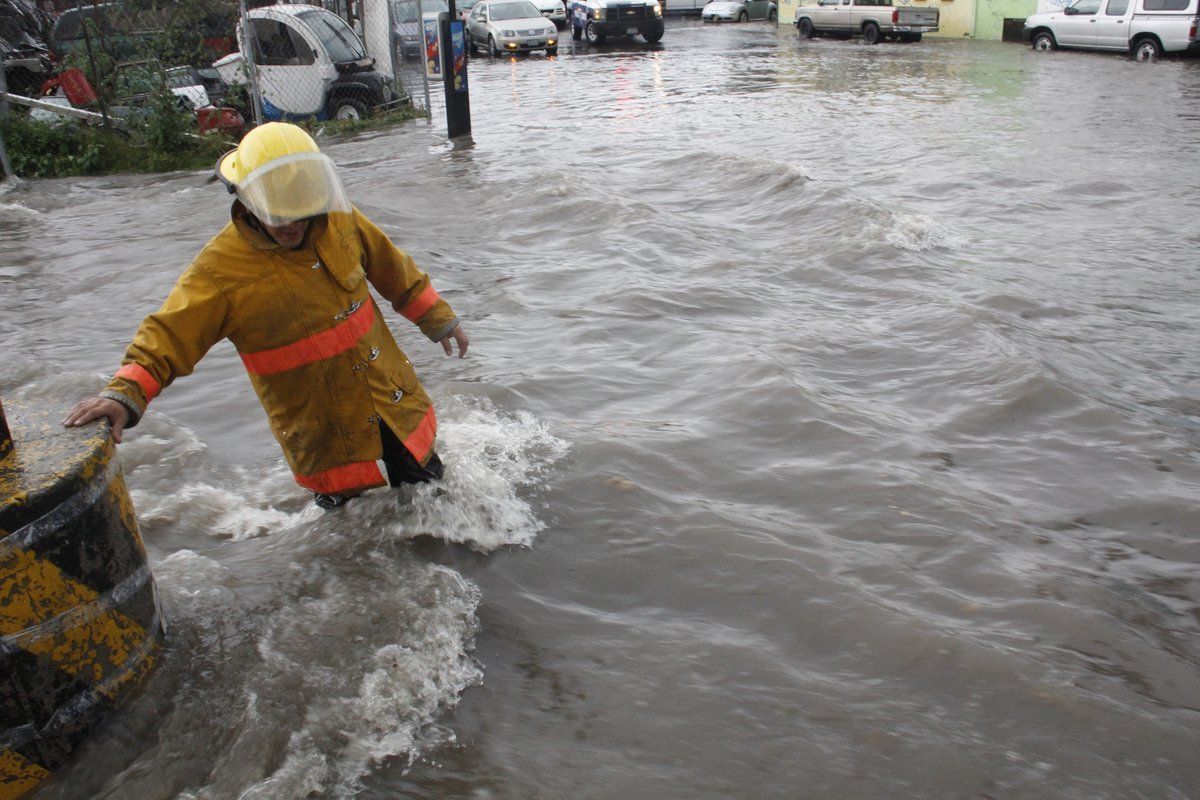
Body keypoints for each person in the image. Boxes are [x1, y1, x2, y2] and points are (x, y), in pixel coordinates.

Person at [63, 122, 469, 509]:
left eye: (300, 211)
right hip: (324, 429)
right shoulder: (219, 272)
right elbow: (168, 335)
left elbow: (392, 267)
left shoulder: (340, 221)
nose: (291, 225)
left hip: (388, 398)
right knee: (350, 532)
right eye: (278, 213)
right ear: (247, 198)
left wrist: (438, 318)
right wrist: (123, 395)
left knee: (432, 498)